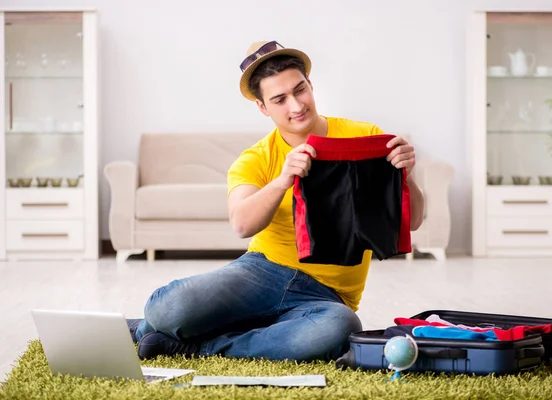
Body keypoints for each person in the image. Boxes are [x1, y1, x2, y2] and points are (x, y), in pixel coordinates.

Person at [128, 40, 425, 362]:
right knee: (167, 308)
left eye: (300, 90)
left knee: (339, 329)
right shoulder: (255, 158)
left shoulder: (363, 136)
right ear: (262, 107)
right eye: (280, 99)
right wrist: (283, 180)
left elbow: (415, 221)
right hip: (262, 273)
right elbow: (241, 223)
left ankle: (194, 346)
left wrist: (406, 175)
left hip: (327, 296)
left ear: (310, 85)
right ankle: (148, 328)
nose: (296, 106)